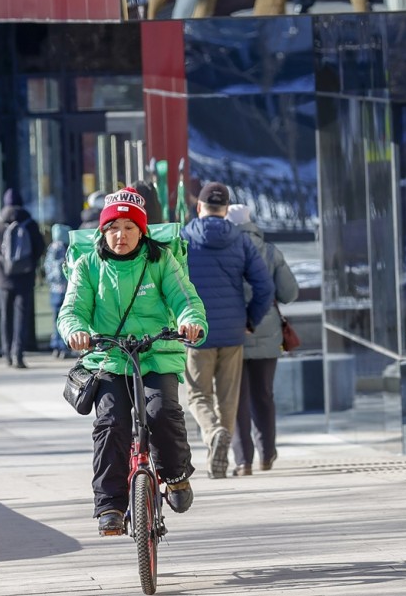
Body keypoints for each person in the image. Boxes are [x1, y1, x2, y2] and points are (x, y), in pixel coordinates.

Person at [57, 186, 208, 536]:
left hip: (157, 354)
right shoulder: (88, 265)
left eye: (128, 227)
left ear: (142, 230)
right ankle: (110, 505)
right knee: (110, 424)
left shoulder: (161, 261)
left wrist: (192, 323)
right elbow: (72, 310)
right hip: (109, 358)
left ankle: (176, 476)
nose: (120, 235)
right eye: (112, 227)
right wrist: (76, 331)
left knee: (162, 413)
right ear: (102, 231)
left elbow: (185, 298)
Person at [181, 181, 275, 480]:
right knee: (228, 399)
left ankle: (212, 434)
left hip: (196, 330)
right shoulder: (240, 239)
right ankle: (218, 458)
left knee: (197, 395)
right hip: (233, 330)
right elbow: (265, 286)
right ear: (225, 210)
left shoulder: (185, 238)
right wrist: (250, 319)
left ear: (200, 207)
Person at [225, 203, 299, 475]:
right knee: (264, 394)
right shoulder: (270, 251)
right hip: (267, 333)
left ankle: (243, 460)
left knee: (237, 397)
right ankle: (267, 454)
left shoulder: (224, 252)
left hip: (232, 332)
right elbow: (289, 293)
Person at [0, 187, 45, 368]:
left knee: (5, 315)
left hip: (3, 277)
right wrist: (30, 264)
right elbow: (40, 247)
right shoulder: (29, 223)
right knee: (21, 315)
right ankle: (18, 353)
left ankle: (6, 354)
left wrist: (2, 263)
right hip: (25, 276)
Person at [44, 223, 72, 359]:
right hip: (66, 289)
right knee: (66, 317)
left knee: (56, 318)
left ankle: (55, 345)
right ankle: (64, 346)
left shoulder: (51, 248)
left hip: (54, 289)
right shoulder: (66, 248)